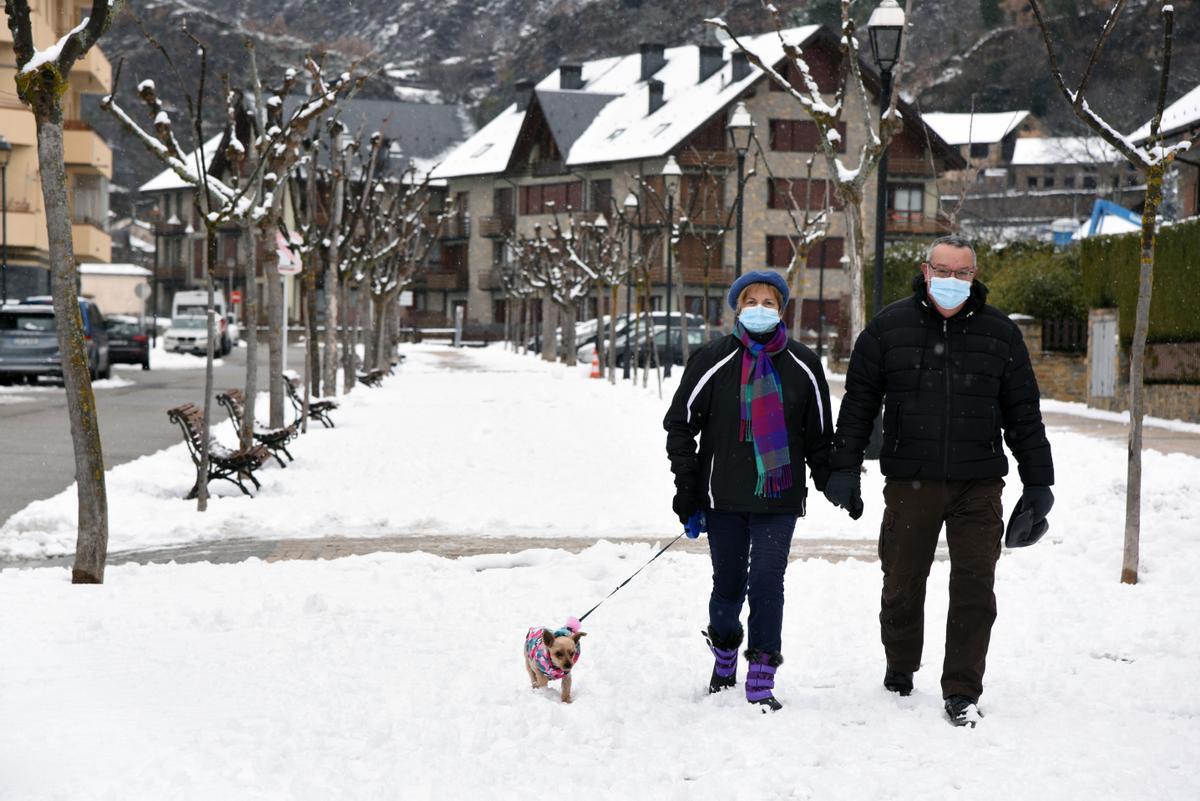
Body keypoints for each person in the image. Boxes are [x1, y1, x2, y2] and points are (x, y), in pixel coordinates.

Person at [824, 235, 1054, 727]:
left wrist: (1039, 484)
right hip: (912, 481)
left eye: (962, 273)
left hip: (979, 484)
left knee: (975, 589)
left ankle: (962, 689)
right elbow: (859, 404)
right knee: (901, 583)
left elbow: (1024, 415)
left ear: (974, 276)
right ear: (926, 271)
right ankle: (901, 664)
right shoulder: (889, 328)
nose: (953, 280)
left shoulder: (1001, 334)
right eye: (944, 271)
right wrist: (843, 467)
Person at [664, 270, 833, 711]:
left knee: (766, 583)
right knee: (728, 585)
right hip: (723, 496)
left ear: (782, 310)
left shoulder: (803, 363)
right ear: (737, 309)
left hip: (779, 496)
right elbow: (680, 424)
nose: (760, 309)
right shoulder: (713, 359)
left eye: (769, 302)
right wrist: (687, 487)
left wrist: (835, 480)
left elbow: (819, 436)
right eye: (751, 301)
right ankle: (724, 652)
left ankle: (761, 672)